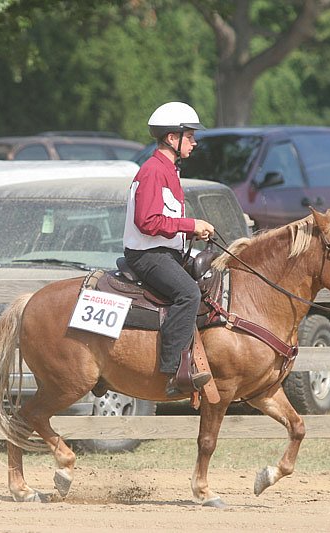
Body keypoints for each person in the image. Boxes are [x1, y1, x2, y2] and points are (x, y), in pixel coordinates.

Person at [123, 101, 215, 397]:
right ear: (171, 138)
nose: (194, 142)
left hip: (164, 253)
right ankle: (173, 372)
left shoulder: (169, 171)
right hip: (148, 257)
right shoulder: (153, 172)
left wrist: (190, 231)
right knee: (189, 293)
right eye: (190, 136)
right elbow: (147, 221)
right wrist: (190, 225)